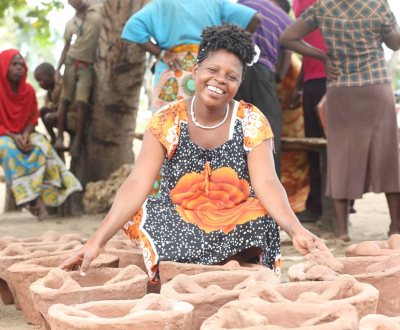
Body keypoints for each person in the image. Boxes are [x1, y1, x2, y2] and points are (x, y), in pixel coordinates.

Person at [60, 23, 329, 282]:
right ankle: (217, 266)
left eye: (231, 76)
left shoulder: (251, 119)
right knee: (139, 211)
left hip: (232, 220)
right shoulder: (167, 119)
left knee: (262, 216)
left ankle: (196, 266)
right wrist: (97, 242)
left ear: (240, 81)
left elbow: (268, 182)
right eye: (212, 69)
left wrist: (297, 230)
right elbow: (138, 182)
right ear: (196, 68)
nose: (219, 80)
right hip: (180, 219)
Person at [280, 0, 400, 240]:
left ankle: (341, 230)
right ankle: (395, 227)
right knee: (387, 154)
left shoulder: (324, 6)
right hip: (376, 86)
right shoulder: (377, 4)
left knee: (340, 154)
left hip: (340, 87)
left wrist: (324, 57)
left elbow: (287, 38)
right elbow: (394, 43)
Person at [121, 0, 261, 196]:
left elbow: (132, 27)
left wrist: (160, 52)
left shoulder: (161, 4)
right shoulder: (213, 2)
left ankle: (156, 195)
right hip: (209, 64)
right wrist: (235, 46)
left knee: (164, 134)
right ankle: (200, 192)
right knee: (205, 132)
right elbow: (254, 18)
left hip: (173, 72)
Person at [0, 49, 82, 221]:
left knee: (42, 146)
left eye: (21, 64)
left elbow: (32, 117)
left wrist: (27, 135)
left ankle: (60, 188)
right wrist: (15, 137)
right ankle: (30, 200)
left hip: (25, 132)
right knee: (7, 148)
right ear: (3, 66)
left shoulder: (28, 90)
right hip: (4, 135)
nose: (19, 68)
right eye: (14, 64)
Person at [235, 0, 293, 178]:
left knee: (232, 130)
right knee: (268, 134)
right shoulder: (287, 21)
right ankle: (267, 193)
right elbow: (282, 73)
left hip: (236, 69)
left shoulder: (245, 2)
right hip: (264, 74)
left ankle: (231, 186)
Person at [54, 0, 102, 158]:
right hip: (70, 62)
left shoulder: (97, 12)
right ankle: (60, 137)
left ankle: (77, 142)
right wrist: (57, 70)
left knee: (82, 102)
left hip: (87, 65)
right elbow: (66, 47)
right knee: (64, 100)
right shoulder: (70, 23)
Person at [34, 63, 77, 145]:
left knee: (49, 117)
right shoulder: (49, 93)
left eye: (40, 80)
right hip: (61, 116)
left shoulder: (62, 84)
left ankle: (66, 136)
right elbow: (47, 106)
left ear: (51, 76)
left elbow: (65, 105)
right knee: (42, 111)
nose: (39, 84)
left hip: (72, 117)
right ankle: (53, 138)